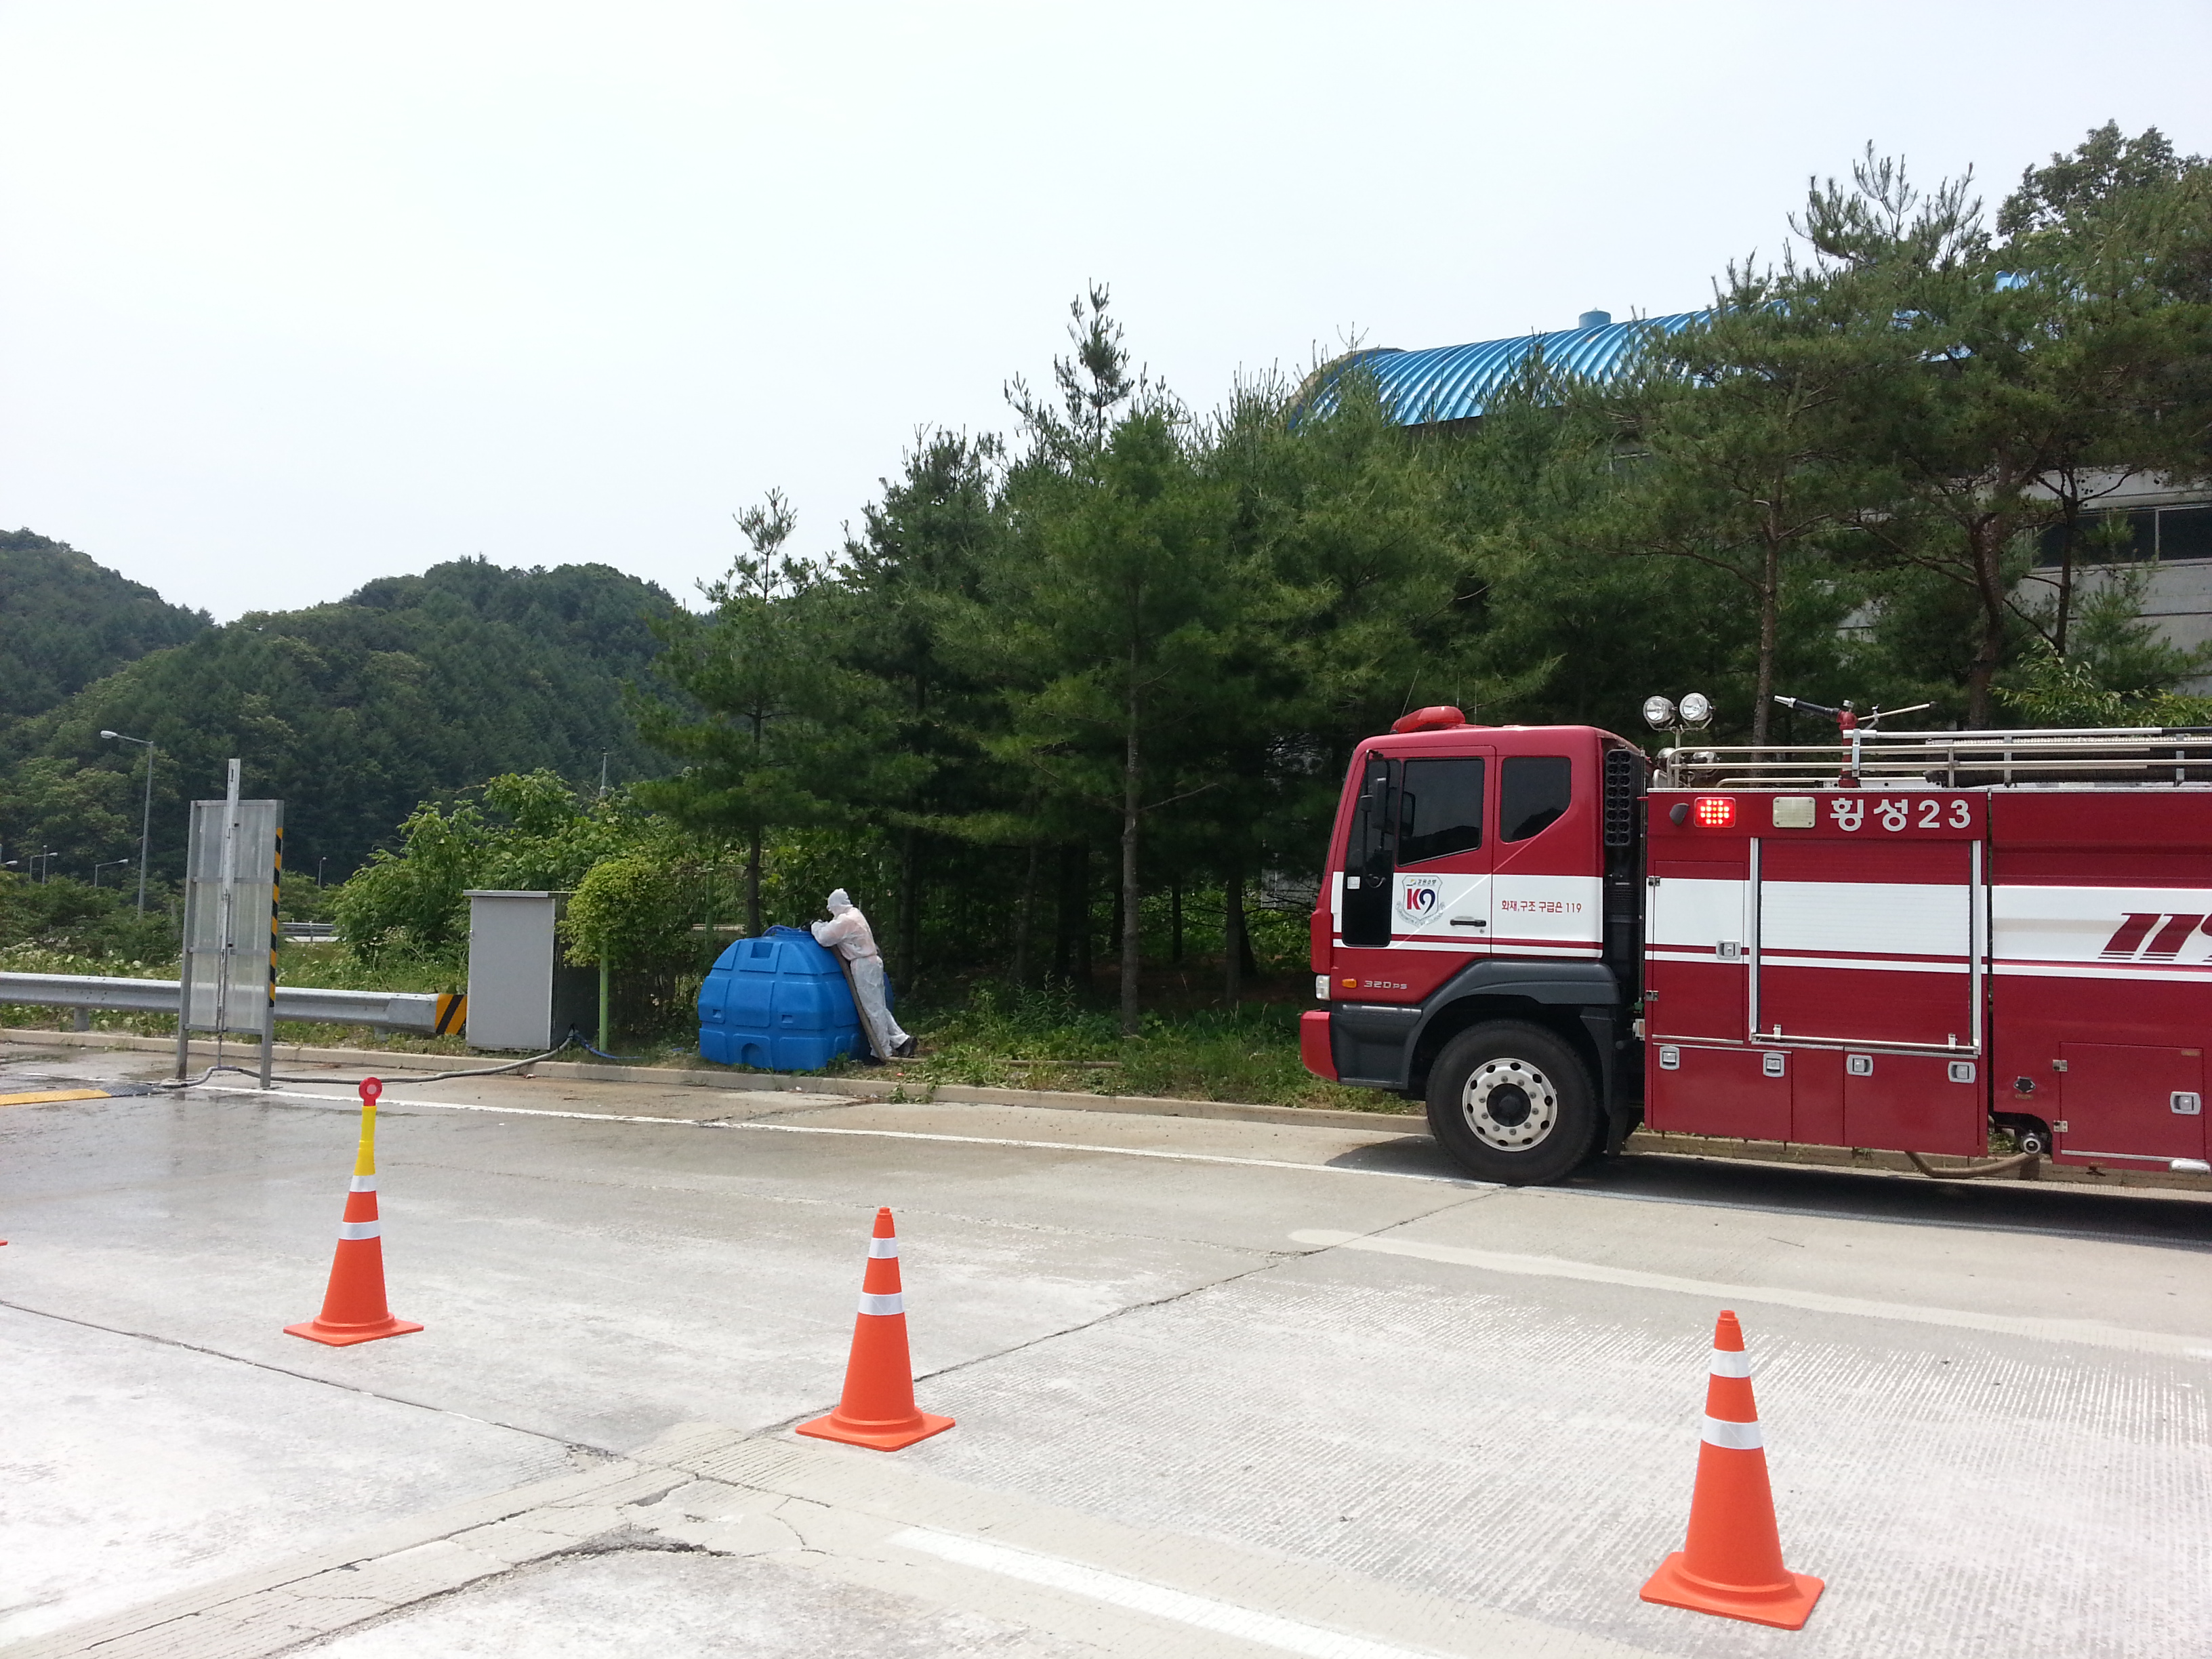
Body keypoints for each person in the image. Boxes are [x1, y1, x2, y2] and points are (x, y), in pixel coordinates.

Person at [811, 888, 917, 1060]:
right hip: (871, 962)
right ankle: (902, 1041)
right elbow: (833, 928)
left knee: (873, 1010)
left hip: (864, 965)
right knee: (877, 1006)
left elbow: (824, 938)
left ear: (836, 906)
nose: (831, 912)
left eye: (831, 908)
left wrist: (814, 926)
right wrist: (821, 925)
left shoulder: (846, 920)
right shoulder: (854, 914)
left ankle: (881, 1052)